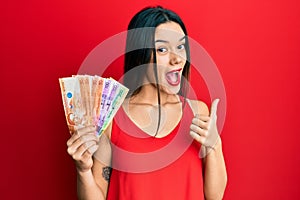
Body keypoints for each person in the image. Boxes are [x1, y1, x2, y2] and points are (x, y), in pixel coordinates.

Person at [67, 6, 227, 200]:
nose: (177, 58)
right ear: (140, 55)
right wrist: (83, 171)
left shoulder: (198, 112)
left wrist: (214, 145)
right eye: (162, 49)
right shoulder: (112, 119)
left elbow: (214, 196)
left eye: (180, 46)